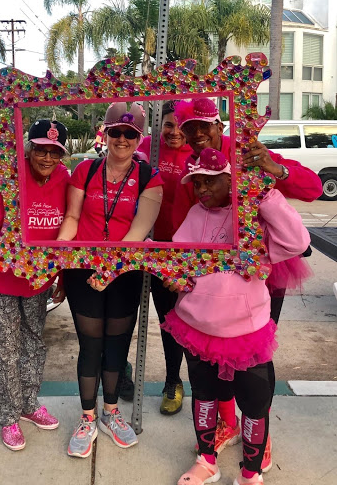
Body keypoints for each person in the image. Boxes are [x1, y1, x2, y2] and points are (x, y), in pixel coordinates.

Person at [172, 97, 322, 461]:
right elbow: (183, 221)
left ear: (219, 125)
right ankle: (226, 423)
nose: (198, 135)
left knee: (253, 362)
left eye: (203, 126)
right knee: (212, 358)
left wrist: (275, 170)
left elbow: (313, 189)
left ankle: (259, 433)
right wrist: (178, 269)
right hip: (206, 282)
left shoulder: (250, 153)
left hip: (263, 275)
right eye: (190, 130)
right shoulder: (190, 169)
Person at [57, 102, 164, 458]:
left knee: (117, 344)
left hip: (125, 272)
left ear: (139, 138)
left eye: (130, 133)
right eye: (116, 131)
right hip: (82, 272)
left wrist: (111, 270)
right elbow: (72, 218)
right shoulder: (84, 170)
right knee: (91, 344)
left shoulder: (150, 178)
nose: (122, 139)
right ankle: (87, 417)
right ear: (105, 133)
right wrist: (55, 256)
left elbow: (138, 232)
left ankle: (111, 412)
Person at [0, 119, 70, 451]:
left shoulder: (64, 179)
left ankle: (28, 404)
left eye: (54, 152)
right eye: (40, 149)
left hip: (37, 280)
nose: (46, 157)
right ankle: (9, 417)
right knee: (5, 350)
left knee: (33, 344)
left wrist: (62, 273)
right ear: (28, 147)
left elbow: (67, 229)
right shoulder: (9, 175)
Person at [137, 101, 192, 415]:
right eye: (168, 125)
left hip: (187, 255)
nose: (174, 132)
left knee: (181, 322)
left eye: (180, 126)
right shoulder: (145, 147)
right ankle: (163, 380)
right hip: (147, 249)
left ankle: (178, 380)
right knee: (157, 319)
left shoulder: (199, 153)